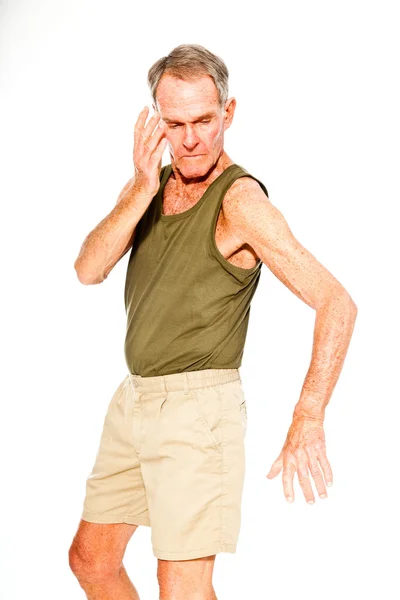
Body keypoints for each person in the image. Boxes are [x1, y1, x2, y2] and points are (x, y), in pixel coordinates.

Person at [68, 44, 358, 600]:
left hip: (198, 412)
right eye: (174, 123)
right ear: (155, 121)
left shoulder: (240, 201)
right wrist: (140, 185)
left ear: (228, 114)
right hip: (134, 401)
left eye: (204, 120)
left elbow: (336, 302)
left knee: (181, 586)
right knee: (91, 560)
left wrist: (309, 414)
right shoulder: (148, 187)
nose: (191, 138)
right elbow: (87, 269)